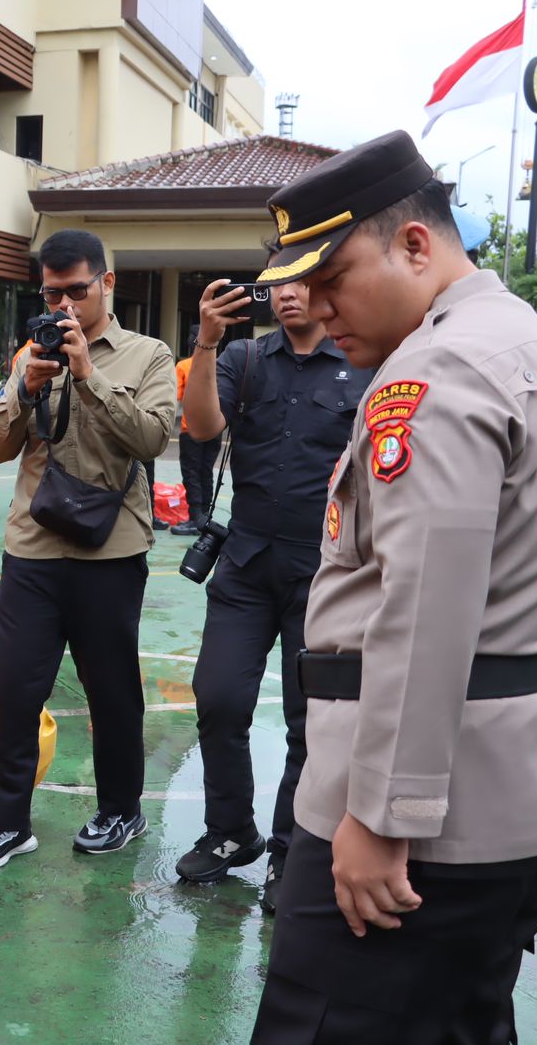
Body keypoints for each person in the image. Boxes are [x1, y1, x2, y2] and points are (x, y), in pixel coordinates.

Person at [247, 131, 537, 1043]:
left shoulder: (438, 369)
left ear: (414, 245)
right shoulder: (513, 335)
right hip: (509, 782)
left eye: (336, 279)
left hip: (425, 818)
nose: (319, 313)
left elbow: (425, 604)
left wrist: (381, 814)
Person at [0, 229, 173, 872]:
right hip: (32, 544)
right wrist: (27, 386)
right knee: (11, 684)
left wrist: (88, 377)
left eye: (75, 291)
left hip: (109, 550)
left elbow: (153, 439)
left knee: (111, 690)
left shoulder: (148, 355)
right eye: (51, 293)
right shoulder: (34, 350)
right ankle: (10, 823)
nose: (62, 306)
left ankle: (120, 809)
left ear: (106, 284)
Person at [173, 255, 372, 911]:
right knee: (219, 697)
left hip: (325, 574)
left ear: (324, 289)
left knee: (307, 722)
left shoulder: (361, 364)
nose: (288, 294)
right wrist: (205, 342)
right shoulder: (244, 360)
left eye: (302, 282)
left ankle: (290, 852)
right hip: (247, 563)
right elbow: (202, 428)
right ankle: (232, 832)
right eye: (278, 283)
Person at [168, 334, 222, 536]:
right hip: (214, 428)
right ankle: (206, 516)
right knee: (206, 471)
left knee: (191, 473)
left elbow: (178, 395)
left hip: (189, 428)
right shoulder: (219, 365)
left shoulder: (183, 366)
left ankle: (194, 517)